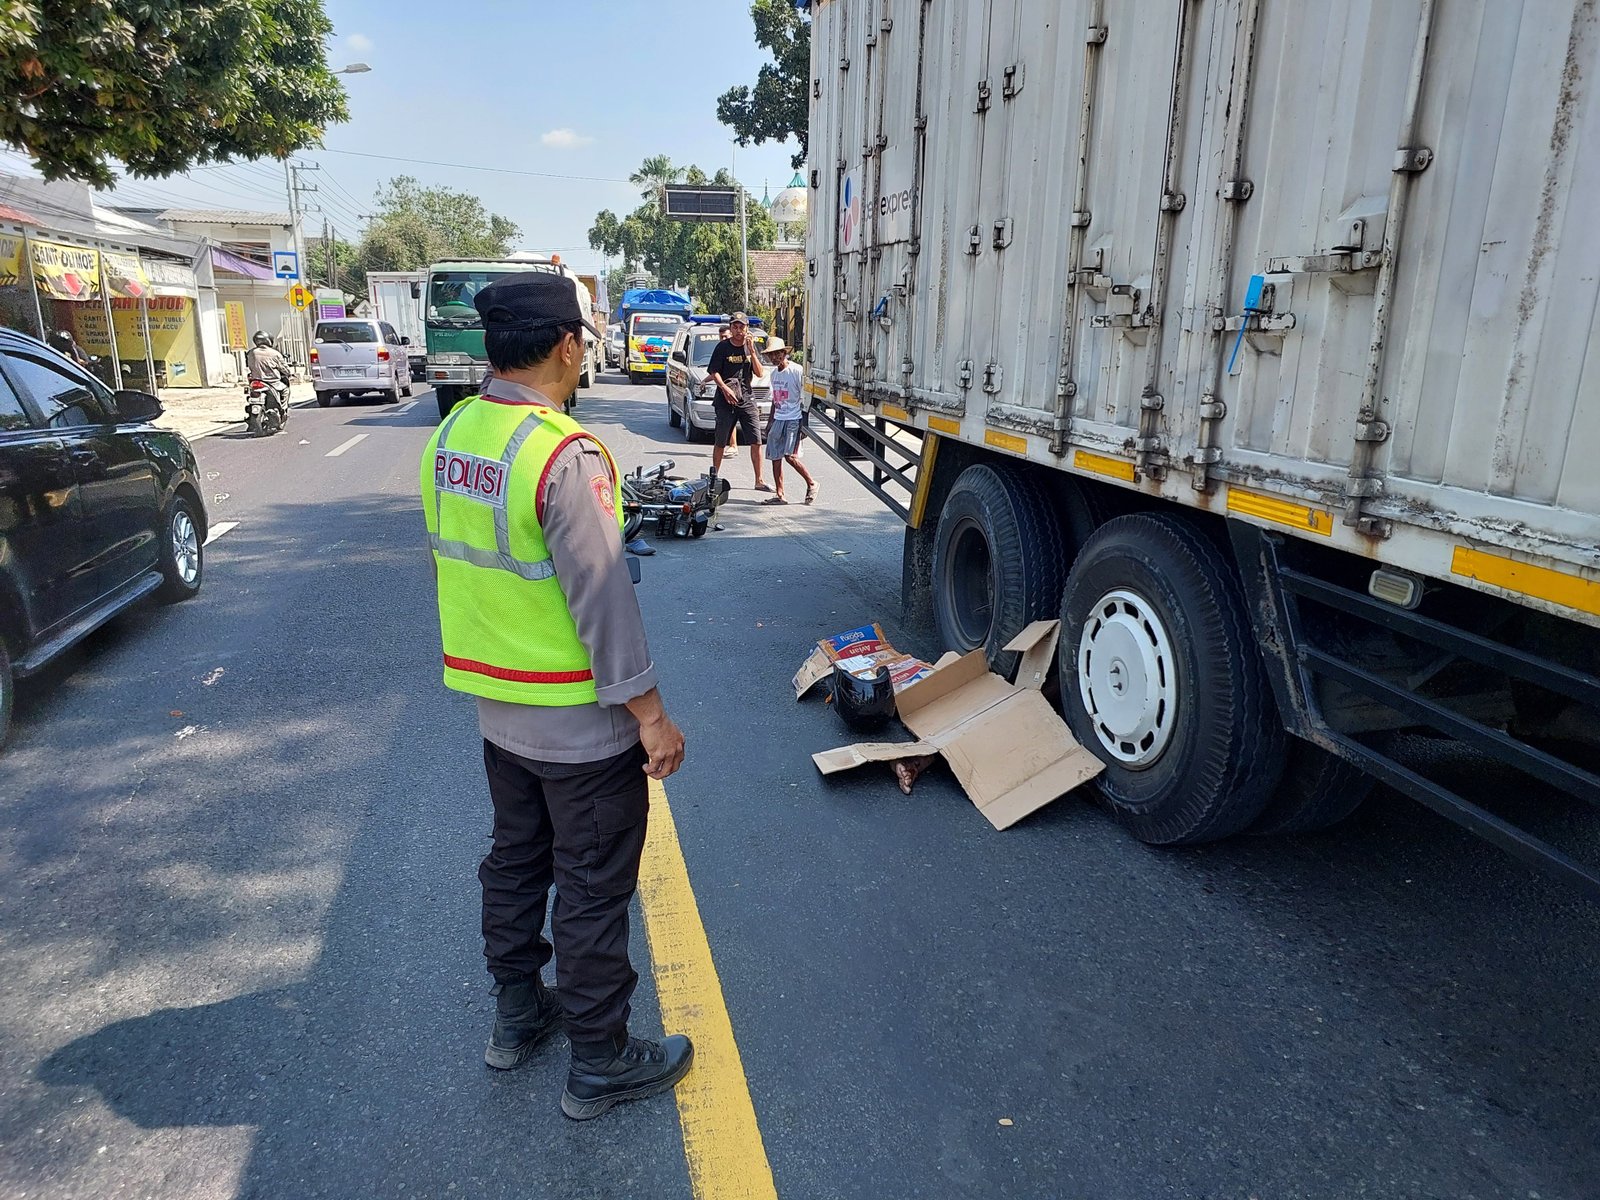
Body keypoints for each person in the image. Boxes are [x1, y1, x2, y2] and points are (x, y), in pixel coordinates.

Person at [419, 273, 693, 1122]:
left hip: (498, 715)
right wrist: (650, 715)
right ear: (569, 346)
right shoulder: (560, 451)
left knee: (515, 862)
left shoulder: (455, 431)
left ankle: (516, 1016)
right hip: (580, 727)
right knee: (590, 887)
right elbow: (602, 599)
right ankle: (601, 1059)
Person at [707, 313, 768, 490]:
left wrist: (752, 351)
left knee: (756, 440)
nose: (738, 331)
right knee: (720, 441)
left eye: (742, 327)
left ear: (747, 328)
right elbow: (714, 372)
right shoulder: (722, 347)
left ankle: (759, 480)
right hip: (725, 400)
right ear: (731, 328)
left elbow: (759, 373)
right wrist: (724, 389)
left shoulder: (750, 348)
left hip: (746, 398)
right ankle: (714, 478)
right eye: (735, 327)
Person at [760, 339, 817, 505]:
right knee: (775, 456)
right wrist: (770, 422)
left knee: (790, 456)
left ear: (784, 353)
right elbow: (774, 400)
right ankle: (780, 494)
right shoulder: (774, 374)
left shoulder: (796, 371)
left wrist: (804, 422)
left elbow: (806, 395)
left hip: (794, 417)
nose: (774, 357)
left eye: (777, 353)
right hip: (779, 417)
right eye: (771, 355)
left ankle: (811, 483)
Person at [244, 331, 292, 412]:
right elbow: (284, 369)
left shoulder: (251, 352)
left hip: (256, 381)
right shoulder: (275, 354)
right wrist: (289, 373)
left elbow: (248, 365)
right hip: (272, 382)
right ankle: (283, 409)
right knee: (285, 390)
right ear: (268, 340)